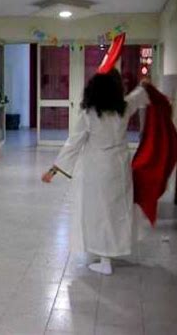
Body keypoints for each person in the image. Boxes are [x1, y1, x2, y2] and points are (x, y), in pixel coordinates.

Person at [41, 69, 151, 276]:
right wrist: (144, 84)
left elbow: (73, 143)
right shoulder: (124, 108)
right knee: (117, 210)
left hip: (97, 169)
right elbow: (139, 95)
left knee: (99, 212)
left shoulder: (89, 114)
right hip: (120, 166)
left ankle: (104, 258)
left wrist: (53, 170)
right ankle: (111, 251)